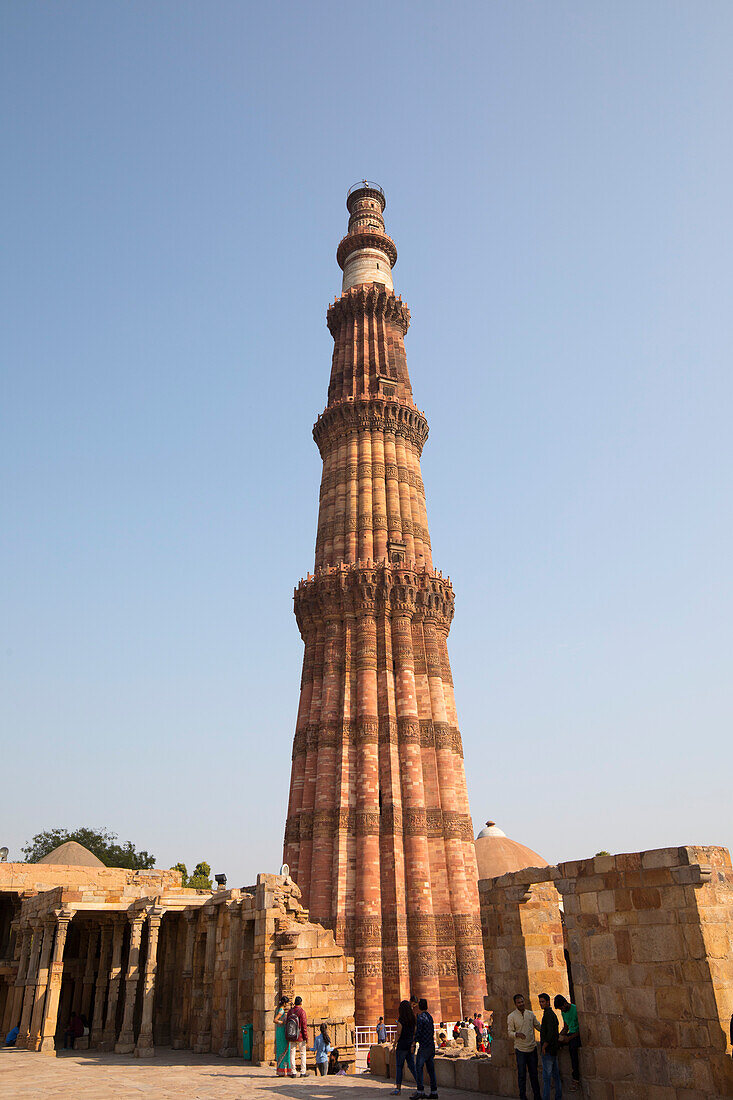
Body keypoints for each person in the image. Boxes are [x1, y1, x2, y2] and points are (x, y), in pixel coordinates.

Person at [508, 993, 541, 1100]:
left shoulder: (530, 1014)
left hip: (531, 1048)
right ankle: (523, 1096)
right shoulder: (511, 1016)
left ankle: (537, 1096)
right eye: (519, 1002)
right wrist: (517, 1034)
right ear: (515, 1004)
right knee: (522, 1075)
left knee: (534, 1074)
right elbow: (510, 1032)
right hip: (520, 1049)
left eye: (522, 1002)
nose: (521, 1004)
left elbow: (538, 1026)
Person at [410, 997, 438, 1100]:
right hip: (431, 1046)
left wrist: (414, 1043)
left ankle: (420, 1091)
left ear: (419, 1006)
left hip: (424, 1047)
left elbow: (419, 1032)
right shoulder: (430, 1017)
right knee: (431, 1070)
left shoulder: (421, 1017)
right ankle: (434, 1092)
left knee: (419, 1068)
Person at [554, 995, 580, 1090]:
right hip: (570, 1034)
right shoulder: (563, 1012)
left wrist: (569, 1038)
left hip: (577, 1035)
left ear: (565, 1004)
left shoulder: (575, 1009)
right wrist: (559, 1036)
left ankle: (576, 1078)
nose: (562, 1010)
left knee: (572, 1049)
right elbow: (566, 1027)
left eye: (562, 1007)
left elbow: (581, 1029)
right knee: (555, 1045)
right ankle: (556, 1075)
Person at [538, 994, 561, 1100]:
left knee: (547, 1077)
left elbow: (551, 1033)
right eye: (540, 1002)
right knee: (556, 1076)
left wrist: (544, 1046)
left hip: (548, 1049)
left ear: (548, 1002)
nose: (541, 1004)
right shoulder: (550, 1014)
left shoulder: (548, 1015)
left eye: (543, 1002)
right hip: (553, 1049)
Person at [391, 999, 417, 1095]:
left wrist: (394, 1045)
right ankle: (419, 1086)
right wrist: (413, 1044)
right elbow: (415, 1033)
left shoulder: (401, 1020)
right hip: (410, 1046)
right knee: (412, 1066)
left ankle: (398, 1089)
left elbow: (398, 1034)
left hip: (402, 1046)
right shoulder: (413, 1019)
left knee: (399, 1067)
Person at [286, 995, 308, 1077]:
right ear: (301, 1003)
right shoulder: (302, 1012)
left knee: (292, 1053)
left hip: (291, 1035)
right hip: (300, 1036)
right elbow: (304, 1025)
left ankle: (293, 1072)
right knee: (302, 1053)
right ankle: (303, 1072)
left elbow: (287, 1024)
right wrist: (306, 1037)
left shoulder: (290, 1012)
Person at [274, 996, 291, 1076]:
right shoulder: (281, 1010)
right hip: (282, 1032)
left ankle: (282, 1070)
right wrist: (282, 1022)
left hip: (279, 1031)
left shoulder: (277, 1009)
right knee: (286, 1050)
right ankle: (284, 1070)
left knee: (281, 1050)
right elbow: (275, 1020)